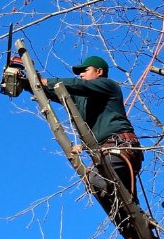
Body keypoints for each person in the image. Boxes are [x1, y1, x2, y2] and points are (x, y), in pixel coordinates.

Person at [37, 56, 143, 196]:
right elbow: (56, 92)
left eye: (85, 70)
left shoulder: (108, 85)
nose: (81, 74)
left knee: (95, 180)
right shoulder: (81, 98)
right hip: (107, 153)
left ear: (99, 72)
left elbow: (78, 85)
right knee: (122, 206)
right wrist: (28, 83)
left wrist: (46, 81)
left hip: (120, 147)